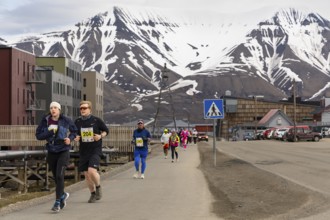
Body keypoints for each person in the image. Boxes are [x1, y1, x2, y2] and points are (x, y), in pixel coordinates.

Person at [35, 101, 77, 212]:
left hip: (63, 150)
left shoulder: (66, 120)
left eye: (55, 108)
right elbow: (38, 136)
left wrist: (70, 139)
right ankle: (63, 195)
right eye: (51, 108)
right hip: (51, 150)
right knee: (56, 176)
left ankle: (57, 202)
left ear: (59, 110)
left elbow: (74, 132)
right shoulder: (45, 121)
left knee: (59, 175)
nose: (53, 109)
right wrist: (49, 132)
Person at [74, 101, 109, 203]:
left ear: (90, 109)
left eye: (84, 108)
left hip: (95, 149)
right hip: (84, 150)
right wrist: (76, 137)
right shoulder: (78, 122)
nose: (82, 110)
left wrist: (100, 136)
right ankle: (92, 194)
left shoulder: (96, 120)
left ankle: (98, 187)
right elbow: (75, 134)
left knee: (92, 171)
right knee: (87, 175)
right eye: (81, 108)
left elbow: (106, 130)